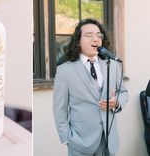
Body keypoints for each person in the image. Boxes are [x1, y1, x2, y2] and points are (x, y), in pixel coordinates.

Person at [53, 18, 129, 156]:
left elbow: (123, 92)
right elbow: (60, 109)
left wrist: (117, 102)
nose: (95, 39)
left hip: (109, 142)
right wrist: (67, 139)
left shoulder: (112, 65)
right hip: (80, 144)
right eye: (89, 35)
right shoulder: (64, 71)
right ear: (78, 42)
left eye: (98, 35)